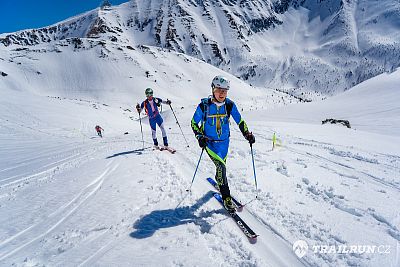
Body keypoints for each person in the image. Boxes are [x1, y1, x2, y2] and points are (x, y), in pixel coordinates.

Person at [191, 75, 255, 212]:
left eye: (225, 91)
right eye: (219, 90)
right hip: (210, 143)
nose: (222, 93)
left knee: (222, 167)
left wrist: (247, 134)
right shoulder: (204, 106)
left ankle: (219, 178)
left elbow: (240, 121)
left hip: (224, 144)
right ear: (213, 89)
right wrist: (199, 136)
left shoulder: (229, 105)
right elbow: (193, 123)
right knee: (221, 166)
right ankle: (226, 197)